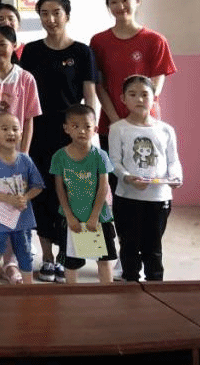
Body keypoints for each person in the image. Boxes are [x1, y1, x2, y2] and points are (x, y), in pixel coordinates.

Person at [18, 0, 98, 284]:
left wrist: (89, 131)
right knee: (42, 194)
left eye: (56, 13)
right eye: (44, 14)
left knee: (72, 195)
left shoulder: (82, 52)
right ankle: (48, 258)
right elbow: (24, 94)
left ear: (67, 16)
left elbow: (90, 94)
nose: (50, 19)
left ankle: (69, 256)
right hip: (39, 132)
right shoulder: (31, 51)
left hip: (72, 134)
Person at [108, 75, 182, 283]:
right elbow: (114, 162)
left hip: (159, 199)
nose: (139, 99)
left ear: (154, 97)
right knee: (129, 245)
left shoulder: (166, 130)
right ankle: (130, 282)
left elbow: (173, 160)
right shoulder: (118, 129)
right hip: (127, 197)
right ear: (123, 99)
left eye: (144, 94)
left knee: (153, 247)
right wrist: (128, 178)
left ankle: (155, 284)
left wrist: (176, 177)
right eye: (132, 94)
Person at [90, 0, 176, 142]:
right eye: (113, 2)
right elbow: (99, 86)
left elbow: (155, 87)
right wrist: (116, 121)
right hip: (111, 125)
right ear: (108, 6)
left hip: (146, 123)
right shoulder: (99, 42)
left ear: (137, 1)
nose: (120, 6)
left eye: (125, 0)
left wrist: (135, 121)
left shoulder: (155, 40)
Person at [50, 104, 118, 284]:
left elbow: (103, 187)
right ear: (66, 128)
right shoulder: (59, 157)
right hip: (71, 219)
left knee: (103, 261)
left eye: (87, 126)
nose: (81, 131)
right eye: (75, 126)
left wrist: (94, 216)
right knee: (71, 263)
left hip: (98, 219)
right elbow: (60, 189)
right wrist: (69, 216)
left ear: (95, 129)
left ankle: (107, 295)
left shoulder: (100, 156)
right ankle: (72, 296)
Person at [0, 112, 44, 285]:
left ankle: (28, 291)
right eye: (5, 129)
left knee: (25, 255)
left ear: (21, 133)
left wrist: (25, 197)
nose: (10, 133)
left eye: (15, 129)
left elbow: (38, 185)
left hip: (22, 218)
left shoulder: (26, 160)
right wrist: (7, 199)